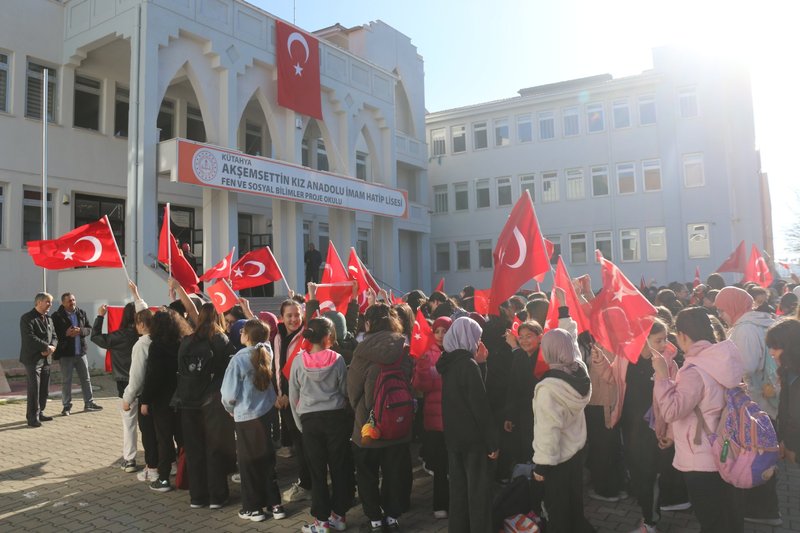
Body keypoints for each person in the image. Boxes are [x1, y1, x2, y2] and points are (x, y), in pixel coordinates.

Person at [652, 307, 745, 533]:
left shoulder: (694, 371)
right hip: (726, 447)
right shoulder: (723, 358)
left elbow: (672, 411)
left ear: (683, 335)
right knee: (726, 514)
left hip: (701, 456)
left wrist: (663, 377)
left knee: (711, 519)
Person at [715, 286, 781, 526]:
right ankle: (767, 508)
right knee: (764, 451)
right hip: (768, 400)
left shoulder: (744, 329)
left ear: (733, 306)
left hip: (754, 402)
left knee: (756, 454)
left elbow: (747, 366)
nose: (721, 315)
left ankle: (763, 510)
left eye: (722, 309)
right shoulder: (763, 320)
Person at [348, 303, 412, 532]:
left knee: (366, 474)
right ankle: (392, 517)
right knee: (395, 473)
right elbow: (409, 380)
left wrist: (363, 409)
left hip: (368, 425)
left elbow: (353, 389)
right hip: (398, 421)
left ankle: (375, 519)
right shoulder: (403, 346)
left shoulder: (362, 350)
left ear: (368, 323)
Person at [221, 319, 286, 523]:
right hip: (266, 414)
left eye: (243, 331)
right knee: (267, 460)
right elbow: (262, 337)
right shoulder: (267, 351)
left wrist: (229, 409)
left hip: (246, 416)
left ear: (247, 336)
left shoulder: (238, 360)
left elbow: (228, 393)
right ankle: (275, 504)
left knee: (248, 463)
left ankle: (253, 508)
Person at [436, 316, 498, 533]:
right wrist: (492, 443)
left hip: (454, 437)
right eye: (477, 337)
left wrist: (481, 365)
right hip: (473, 440)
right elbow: (480, 406)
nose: (479, 342)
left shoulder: (448, 362)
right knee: (478, 494)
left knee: (459, 493)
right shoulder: (467, 365)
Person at [290, 317, 351, 533]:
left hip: (310, 421)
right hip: (335, 418)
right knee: (339, 468)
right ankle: (339, 516)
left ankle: (321, 522)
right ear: (328, 336)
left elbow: (293, 395)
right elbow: (345, 390)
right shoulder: (338, 359)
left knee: (317, 472)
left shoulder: (298, 361)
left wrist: (300, 424)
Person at [532, 329, 594, 533]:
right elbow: (571, 342)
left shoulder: (548, 389)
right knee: (574, 504)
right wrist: (565, 318)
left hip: (557, 459)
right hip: (576, 452)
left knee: (557, 510)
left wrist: (541, 466)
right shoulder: (580, 374)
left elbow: (548, 430)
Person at [176, 301, 236, 510]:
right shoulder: (221, 339)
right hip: (212, 402)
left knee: (194, 450)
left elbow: (180, 370)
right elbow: (230, 370)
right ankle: (217, 496)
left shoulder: (187, 340)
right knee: (214, 449)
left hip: (188, 402)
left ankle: (197, 497)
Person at [91, 280, 148, 473]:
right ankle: (154, 460)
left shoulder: (117, 336)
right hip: (146, 384)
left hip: (124, 384)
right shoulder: (145, 336)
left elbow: (95, 337)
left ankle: (129, 460)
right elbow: (145, 313)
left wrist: (100, 317)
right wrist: (136, 295)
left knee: (129, 424)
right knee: (149, 425)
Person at [140, 309, 192, 493]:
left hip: (162, 400)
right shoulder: (183, 342)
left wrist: (145, 400)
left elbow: (153, 376)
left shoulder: (157, 346)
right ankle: (188, 476)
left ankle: (163, 479)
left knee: (164, 439)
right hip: (183, 397)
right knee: (183, 438)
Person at [274, 299, 313, 503]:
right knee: (298, 443)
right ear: (282, 317)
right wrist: (279, 394)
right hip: (284, 400)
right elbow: (277, 367)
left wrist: (290, 395)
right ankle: (307, 480)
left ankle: (307, 484)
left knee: (304, 442)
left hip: (301, 399)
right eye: (289, 315)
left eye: (297, 314)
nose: (293, 319)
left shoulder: (307, 335)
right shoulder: (278, 335)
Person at [412, 316, 451, 519]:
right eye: (437, 331)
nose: (440, 335)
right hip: (434, 420)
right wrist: (421, 370)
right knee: (440, 465)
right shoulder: (427, 355)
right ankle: (440, 504)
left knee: (455, 465)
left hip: (453, 418)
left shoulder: (457, 353)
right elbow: (422, 387)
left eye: (445, 331)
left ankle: (457, 502)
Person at [52, 292, 103, 416]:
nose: (72, 303)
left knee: (86, 379)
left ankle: (89, 403)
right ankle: (66, 406)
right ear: (63, 303)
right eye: (69, 301)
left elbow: (89, 329)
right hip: (66, 354)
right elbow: (53, 334)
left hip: (80, 353)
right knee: (66, 381)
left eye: (74, 300)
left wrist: (81, 331)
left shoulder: (81, 313)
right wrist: (65, 334)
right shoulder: (57, 316)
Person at [122, 309, 158, 482]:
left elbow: (136, 375)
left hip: (146, 396)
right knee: (161, 434)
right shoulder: (163, 340)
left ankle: (152, 469)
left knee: (149, 434)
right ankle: (168, 464)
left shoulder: (142, 344)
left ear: (142, 324)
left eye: (137, 323)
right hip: (164, 394)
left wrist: (128, 397)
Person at [502, 320, 545, 466]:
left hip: (542, 413)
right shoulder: (519, 357)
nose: (524, 341)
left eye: (529, 336)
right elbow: (512, 387)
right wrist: (509, 415)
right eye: (521, 337)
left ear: (540, 337)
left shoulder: (545, 358)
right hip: (523, 413)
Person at [19, 293, 57, 428]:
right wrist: (46, 347)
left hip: (46, 359)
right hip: (33, 359)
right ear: (39, 302)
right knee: (34, 389)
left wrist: (52, 348)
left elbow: (54, 336)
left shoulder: (49, 319)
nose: (50, 305)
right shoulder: (27, 318)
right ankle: (32, 417)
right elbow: (29, 337)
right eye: (48, 302)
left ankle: (40, 412)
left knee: (44, 389)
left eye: (51, 302)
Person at [765, 319, 800, 466]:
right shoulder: (789, 371)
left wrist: (791, 446)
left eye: (775, 347)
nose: (771, 352)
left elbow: (796, 418)